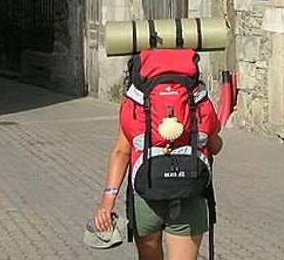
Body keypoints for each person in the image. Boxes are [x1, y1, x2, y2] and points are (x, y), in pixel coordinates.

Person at [94, 96, 223, 260]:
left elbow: (121, 152)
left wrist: (108, 201)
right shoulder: (196, 95)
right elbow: (215, 146)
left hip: (146, 193)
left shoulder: (135, 98)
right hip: (189, 193)